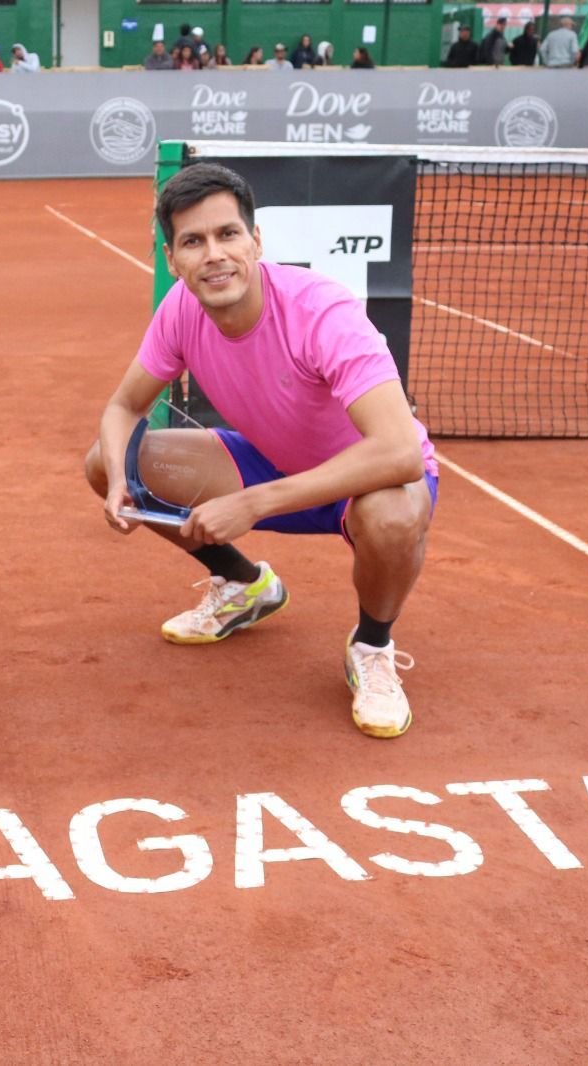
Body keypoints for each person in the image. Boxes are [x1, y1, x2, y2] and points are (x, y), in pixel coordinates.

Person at [85, 164, 437, 739]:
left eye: (228, 235)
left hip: (365, 480)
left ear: (257, 241)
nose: (214, 255)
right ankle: (246, 587)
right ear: (173, 260)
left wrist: (253, 504)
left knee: (393, 513)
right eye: (193, 242)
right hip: (272, 458)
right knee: (107, 460)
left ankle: (372, 645)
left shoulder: (321, 310)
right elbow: (122, 409)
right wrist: (124, 485)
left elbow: (400, 452)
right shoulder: (179, 308)